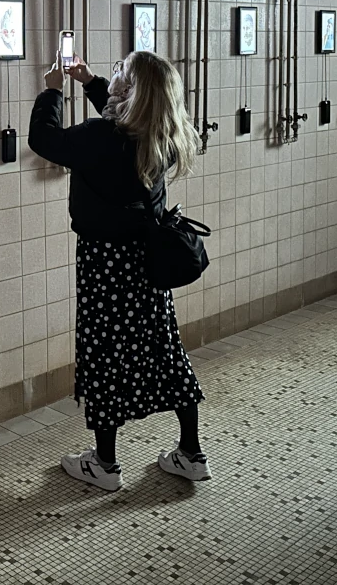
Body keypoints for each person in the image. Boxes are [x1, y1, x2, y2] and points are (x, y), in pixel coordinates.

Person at [28, 49, 208, 493]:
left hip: (104, 265)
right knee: (164, 350)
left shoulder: (102, 137)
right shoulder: (160, 134)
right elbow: (117, 131)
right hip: (147, 262)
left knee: (104, 356)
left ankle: (105, 464)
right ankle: (190, 453)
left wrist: (52, 91)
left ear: (133, 90)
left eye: (120, 73)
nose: (114, 73)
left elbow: (45, 141)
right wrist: (89, 83)